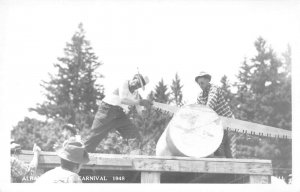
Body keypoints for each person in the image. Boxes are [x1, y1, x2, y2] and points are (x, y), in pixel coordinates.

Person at [84, 73, 152, 153]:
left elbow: (139, 110)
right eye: (137, 82)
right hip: (107, 110)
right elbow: (123, 99)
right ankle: (81, 156)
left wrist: (144, 112)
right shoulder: (125, 83)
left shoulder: (135, 93)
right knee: (95, 136)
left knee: (133, 133)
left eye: (139, 86)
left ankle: (136, 155)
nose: (136, 86)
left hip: (119, 114)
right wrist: (140, 102)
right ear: (134, 78)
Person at [195, 72, 235, 158]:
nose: (200, 85)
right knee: (225, 150)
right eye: (199, 83)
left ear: (208, 81)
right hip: (218, 125)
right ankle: (229, 169)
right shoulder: (200, 96)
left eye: (202, 83)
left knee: (219, 148)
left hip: (228, 123)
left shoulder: (214, 89)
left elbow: (210, 105)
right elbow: (198, 110)